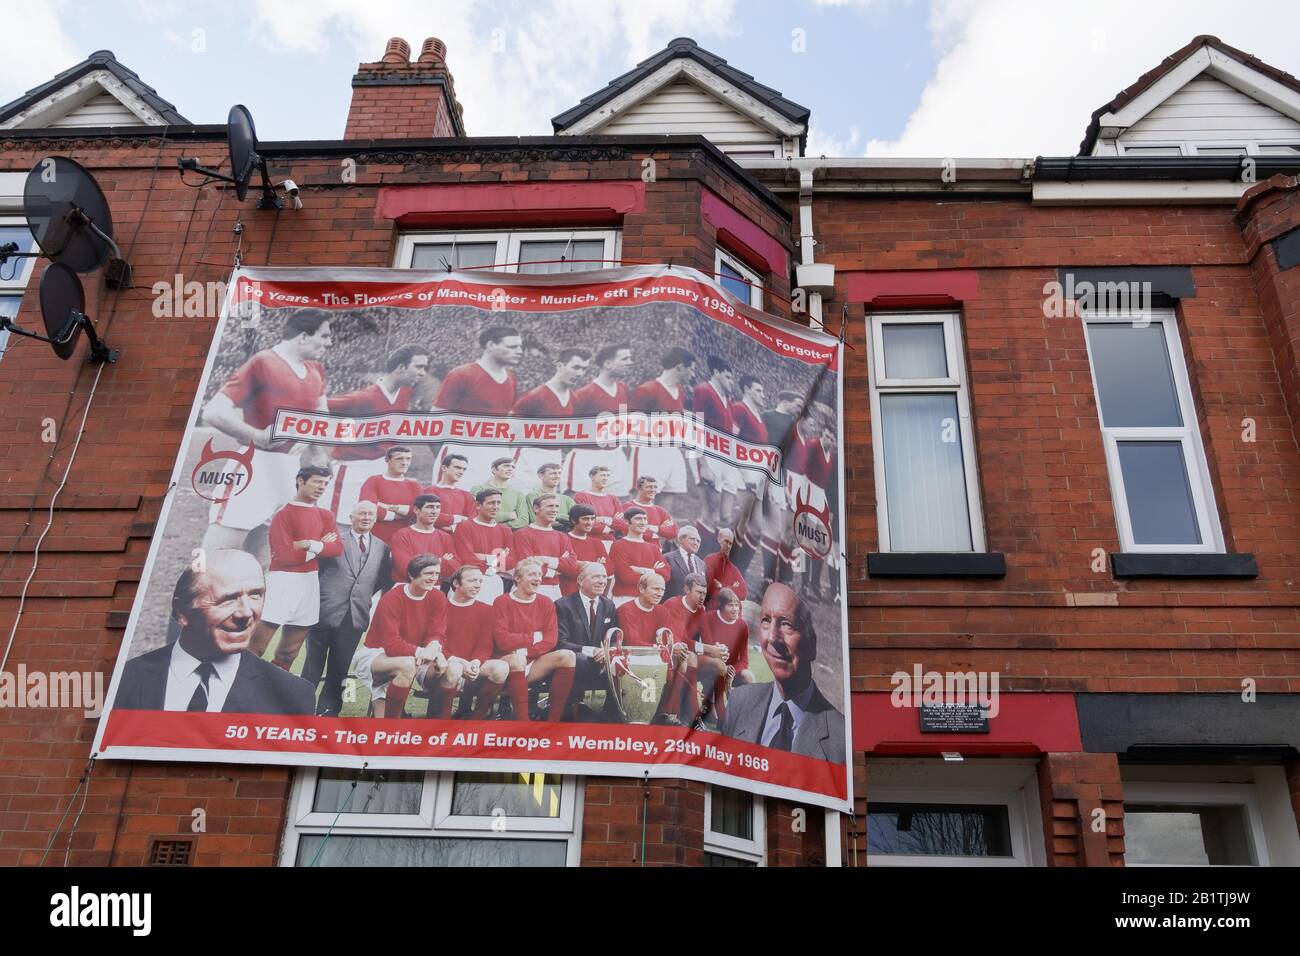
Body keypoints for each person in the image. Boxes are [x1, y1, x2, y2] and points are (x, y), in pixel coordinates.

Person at [113, 550, 315, 715]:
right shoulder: (122, 680)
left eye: (256, 595)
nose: (246, 612)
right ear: (182, 612)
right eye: (228, 599)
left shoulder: (293, 695)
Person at [200, 310, 332, 556]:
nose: (329, 343)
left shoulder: (316, 370)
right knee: (218, 557)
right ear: (303, 336)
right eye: (324, 336)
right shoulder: (264, 362)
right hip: (255, 467)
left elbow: (319, 417)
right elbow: (213, 411)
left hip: (291, 472)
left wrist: (317, 454)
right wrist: (259, 436)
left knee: (263, 562)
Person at [721, 583, 845, 763]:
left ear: (812, 645)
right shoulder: (739, 702)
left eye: (787, 624)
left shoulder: (840, 736)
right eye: (766, 620)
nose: (772, 637)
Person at [302, 500, 388, 717]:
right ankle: (300, 708)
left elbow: (380, 579)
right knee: (313, 665)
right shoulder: (334, 539)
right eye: (361, 514)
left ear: (375, 519)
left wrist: (360, 596)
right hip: (323, 612)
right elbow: (315, 571)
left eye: (370, 514)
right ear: (351, 517)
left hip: (354, 616)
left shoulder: (382, 547)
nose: (366, 518)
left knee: (340, 668)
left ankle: (329, 712)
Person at [252, 466, 343, 671]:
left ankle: (273, 691)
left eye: (325, 483)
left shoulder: (326, 515)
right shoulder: (283, 515)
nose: (322, 487)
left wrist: (309, 544)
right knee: (256, 647)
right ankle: (238, 692)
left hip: (309, 585)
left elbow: (337, 549)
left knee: (289, 652)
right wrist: (320, 546)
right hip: (282, 582)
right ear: (300, 481)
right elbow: (285, 557)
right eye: (317, 482)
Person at [326, 346, 430, 521]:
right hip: (353, 470)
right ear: (400, 368)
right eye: (418, 367)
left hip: (382, 468)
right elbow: (320, 408)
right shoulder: (364, 398)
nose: (423, 373)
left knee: (379, 524)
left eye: (424, 368)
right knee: (343, 524)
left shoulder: (405, 391)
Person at [354, 555, 449, 718]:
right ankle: (394, 723)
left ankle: (440, 724)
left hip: (413, 657)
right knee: (407, 665)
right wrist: (421, 652)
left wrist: (435, 649)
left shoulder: (438, 597)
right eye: (429, 573)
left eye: (437, 574)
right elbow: (391, 644)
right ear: (412, 575)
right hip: (378, 654)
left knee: (448, 669)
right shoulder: (391, 599)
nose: (434, 579)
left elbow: (437, 632)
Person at [433, 325, 523, 488]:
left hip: (497, 455)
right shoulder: (462, 374)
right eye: (512, 346)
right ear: (490, 345)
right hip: (464, 454)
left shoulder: (511, 378)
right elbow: (435, 419)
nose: (519, 351)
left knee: (494, 509)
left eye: (519, 346)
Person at [491, 557, 576, 722]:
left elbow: (550, 640)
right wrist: (533, 637)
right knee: (517, 660)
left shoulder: (546, 602)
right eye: (532, 574)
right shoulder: (502, 601)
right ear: (517, 578)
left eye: (539, 575)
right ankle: (524, 722)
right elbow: (502, 640)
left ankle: (553, 722)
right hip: (507, 662)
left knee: (568, 655)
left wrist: (525, 650)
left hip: (533, 660)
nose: (538, 578)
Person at [511, 348, 593, 490]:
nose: (580, 373)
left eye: (584, 369)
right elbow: (510, 428)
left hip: (554, 459)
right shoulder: (535, 396)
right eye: (576, 367)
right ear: (560, 365)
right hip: (528, 460)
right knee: (522, 507)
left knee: (548, 507)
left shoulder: (574, 399)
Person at [615, 571, 685, 726]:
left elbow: (668, 638)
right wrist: (661, 648)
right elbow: (633, 642)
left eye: (662, 590)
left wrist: (676, 646)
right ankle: (645, 713)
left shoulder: (662, 611)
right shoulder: (626, 609)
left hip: (655, 656)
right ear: (641, 588)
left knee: (681, 660)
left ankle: (665, 713)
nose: (660, 593)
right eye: (655, 589)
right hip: (631, 657)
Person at [628, 347, 695, 509]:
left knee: (664, 512)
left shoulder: (679, 391)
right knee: (641, 509)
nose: (693, 374)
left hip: (671, 452)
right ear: (679, 367)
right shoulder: (647, 390)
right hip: (649, 453)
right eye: (691, 369)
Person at [554, 562, 621, 721]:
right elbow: (561, 642)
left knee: (620, 659)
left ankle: (611, 712)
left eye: (604, 576)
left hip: (601, 659)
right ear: (580, 580)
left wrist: (607, 652)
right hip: (576, 659)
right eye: (596, 576)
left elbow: (613, 638)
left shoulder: (608, 605)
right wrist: (593, 651)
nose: (602, 581)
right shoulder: (563, 605)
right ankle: (573, 708)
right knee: (580, 659)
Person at [564, 343, 633, 494]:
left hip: (616, 456)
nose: (630, 362)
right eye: (625, 359)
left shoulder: (623, 389)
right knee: (583, 509)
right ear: (608, 364)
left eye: (630, 358)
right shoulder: (584, 394)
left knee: (616, 508)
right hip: (588, 457)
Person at [442, 566, 509, 719]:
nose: (478, 585)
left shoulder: (486, 610)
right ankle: (442, 718)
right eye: (472, 580)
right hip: (446, 662)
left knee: (501, 668)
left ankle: (477, 716)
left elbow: (484, 645)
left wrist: (475, 662)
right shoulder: (441, 607)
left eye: (480, 581)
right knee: (454, 668)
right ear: (456, 583)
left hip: (473, 663)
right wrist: (459, 662)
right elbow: (435, 643)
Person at [692, 355, 741, 539]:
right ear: (716, 373)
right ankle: (690, 556)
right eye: (728, 377)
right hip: (709, 454)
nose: (731, 382)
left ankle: (711, 560)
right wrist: (703, 463)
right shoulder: (704, 391)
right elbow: (696, 425)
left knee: (725, 516)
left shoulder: (727, 398)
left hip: (725, 456)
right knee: (710, 512)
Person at [698, 587, 753, 726]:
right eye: (730, 605)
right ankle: (718, 713)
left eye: (737, 605)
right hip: (711, 666)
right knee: (718, 668)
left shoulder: (742, 625)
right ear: (721, 606)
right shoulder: (708, 617)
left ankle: (743, 714)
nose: (735, 609)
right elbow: (709, 647)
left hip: (731, 670)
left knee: (748, 676)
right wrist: (723, 667)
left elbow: (744, 660)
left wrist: (732, 670)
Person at [510, 493, 578, 601]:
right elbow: (527, 567)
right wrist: (555, 571)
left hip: (554, 590)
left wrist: (545, 560)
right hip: (528, 588)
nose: (554, 510)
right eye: (550, 506)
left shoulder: (562, 537)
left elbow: (572, 566)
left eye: (557, 506)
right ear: (536, 508)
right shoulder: (523, 534)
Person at [453, 489, 514, 604]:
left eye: (498, 503)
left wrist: (485, 558)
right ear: (478, 505)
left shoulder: (505, 530)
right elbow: (466, 558)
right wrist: (498, 559)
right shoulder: (464, 527)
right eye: (491, 503)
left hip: (495, 582)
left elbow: (511, 561)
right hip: (469, 581)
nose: (496, 507)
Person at [357, 445, 424, 546]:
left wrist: (390, 507)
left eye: (408, 459)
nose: (404, 463)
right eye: (399, 459)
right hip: (375, 540)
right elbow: (369, 509)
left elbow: (421, 512)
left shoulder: (414, 486)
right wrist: (400, 516)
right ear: (387, 460)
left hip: (405, 541)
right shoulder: (374, 481)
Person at [387, 494, 458, 585]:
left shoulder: (445, 537)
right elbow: (406, 569)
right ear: (416, 510)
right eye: (430, 507)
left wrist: (420, 563)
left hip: (435, 588)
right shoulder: (402, 535)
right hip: (407, 587)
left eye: (438, 507)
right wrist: (440, 561)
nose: (434, 511)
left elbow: (454, 568)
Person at [608, 506, 669, 606]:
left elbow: (666, 574)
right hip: (625, 598)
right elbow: (626, 576)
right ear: (627, 522)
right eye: (638, 519)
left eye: (645, 519)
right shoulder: (618, 545)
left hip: (649, 599)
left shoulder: (654, 548)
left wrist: (643, 570)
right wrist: (654, 574)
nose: (643, 522)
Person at [559, 505, 610, 596]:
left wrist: (580, 564)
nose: (590, 522)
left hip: (592, 595)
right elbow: (567, 571)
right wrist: (596, 566)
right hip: (569, 593)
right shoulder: (563, 539)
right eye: (585, 519)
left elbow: (610, 568)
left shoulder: (597, 543)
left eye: (592, 519)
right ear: (573, 520)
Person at [471, 457, 528, 530]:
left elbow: (524, 520)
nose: (511, 469)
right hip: (481, 531)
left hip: (507, 535)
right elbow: (476, 515)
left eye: (513, 467)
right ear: (494, 470)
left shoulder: (518, 494)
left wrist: (499, 528)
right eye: (506, 466)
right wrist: (508, 515)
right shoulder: (478, 489)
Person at [619, 475, 677, 546]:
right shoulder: (627, 507)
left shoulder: (660, 511)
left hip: (655, 551)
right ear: (639, 488)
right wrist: (658, 533)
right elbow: (623, 529)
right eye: (649, 487)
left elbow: (673, 532)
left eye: (655, 487)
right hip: (632, 547)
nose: (653, 490)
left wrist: (656, 529)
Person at [423, 453, 476, 531]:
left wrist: (452, 528)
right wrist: (459, 518)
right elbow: (427, 516)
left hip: (458, 538)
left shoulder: (466, 495)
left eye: (464, 469)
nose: (461, 472)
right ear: (444, 468)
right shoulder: (428, 491)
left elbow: (472, 520)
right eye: (457, 467)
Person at [573, 465, 626, 542]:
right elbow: (583, 521)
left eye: (608, 475)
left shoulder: (613, 498)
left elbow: (623, 524)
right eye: (602, 475)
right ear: (592, 477)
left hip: (610, 542)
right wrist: (612, 523)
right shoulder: (581, 496)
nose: (605, 478)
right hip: (588, 541)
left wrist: (602, 519)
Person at [523, 463, 577, 529]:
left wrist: (557, 517)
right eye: (553, 473)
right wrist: (564, 520)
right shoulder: (533, 496)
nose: (557, 476)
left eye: (559, 473)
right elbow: (535, 520)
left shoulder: (567, 499)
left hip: (564, 536)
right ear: (541, 476)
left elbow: (577, 520)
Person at [703, 527, 748, 604]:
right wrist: (732, 588)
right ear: (719, 540)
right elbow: (709, 588)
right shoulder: (709, 559)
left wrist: (721, 587)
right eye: (726, 541)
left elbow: (743, 593)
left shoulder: (732, 568)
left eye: (730, 543)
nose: (728, 546)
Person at [662, 525, 704, 600]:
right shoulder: (667, 558)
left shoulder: (702, 564)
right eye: (692, 539)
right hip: (672, 607)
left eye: (698, 541)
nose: (696, 543)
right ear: (681, 539)